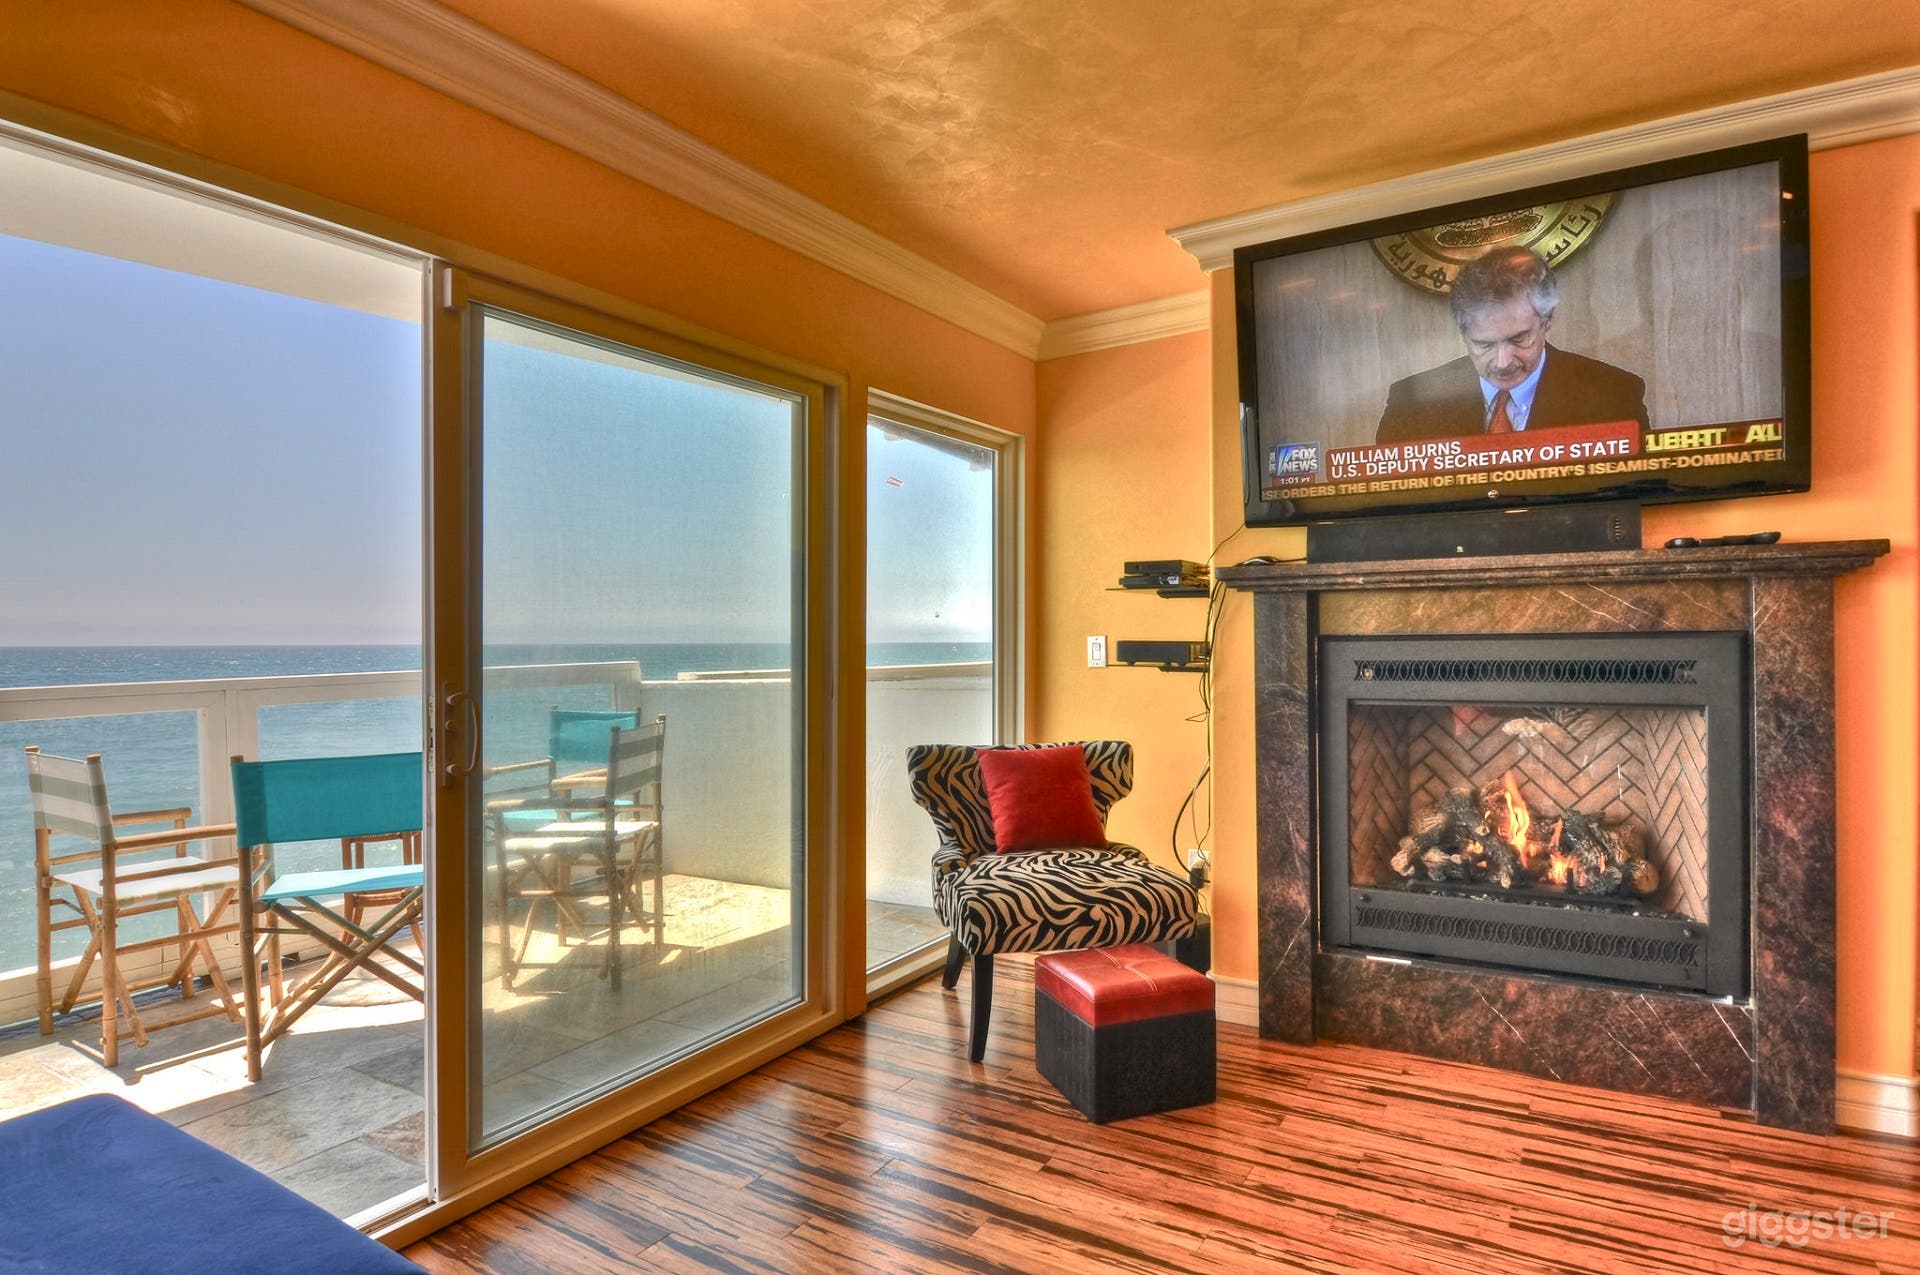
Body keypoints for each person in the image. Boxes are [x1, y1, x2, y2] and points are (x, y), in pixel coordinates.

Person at [1374, 246, 1649, 445]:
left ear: (1548, 319)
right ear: (1462, 332)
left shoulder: (1615, 395)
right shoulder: (1410, 403)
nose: (1503, 362)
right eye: (1484, 345)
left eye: (1519, 339)